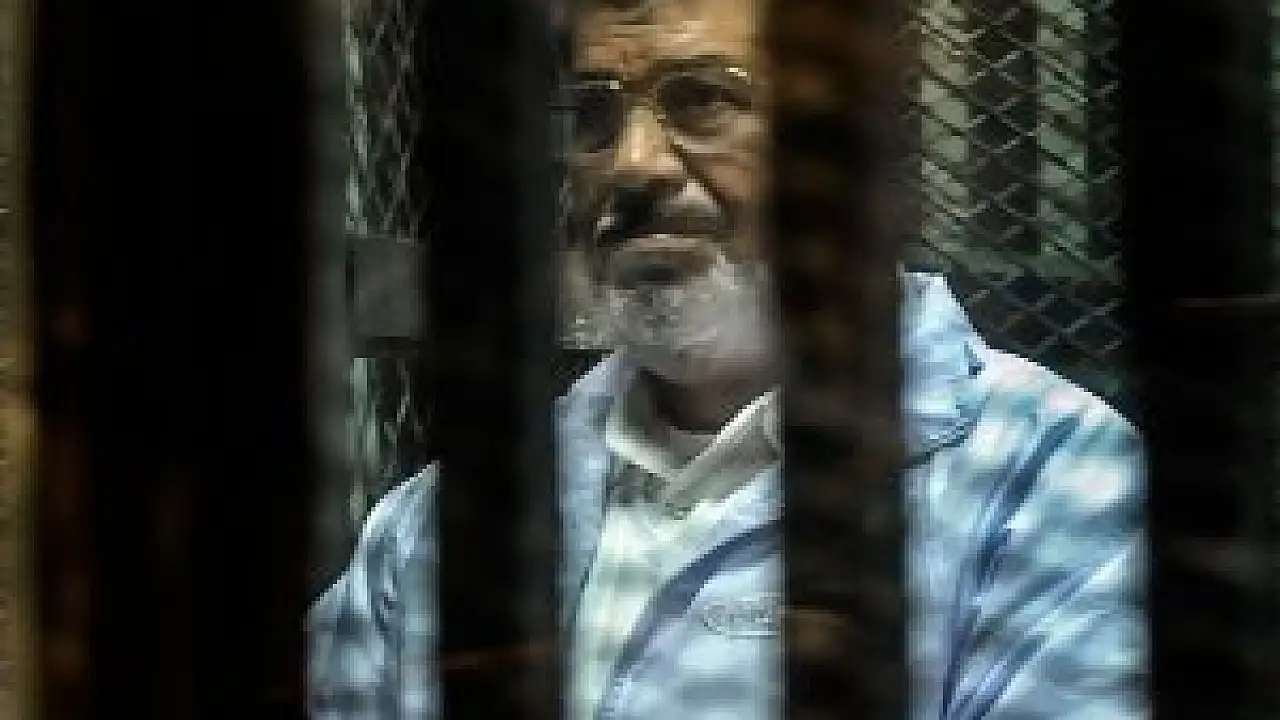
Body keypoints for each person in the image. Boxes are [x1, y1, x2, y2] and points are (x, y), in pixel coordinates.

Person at [307, 0, 1147, 717]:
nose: (632, 164)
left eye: (703, 99)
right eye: (594, 114)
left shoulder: (1053, 485)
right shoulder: (436, 527)